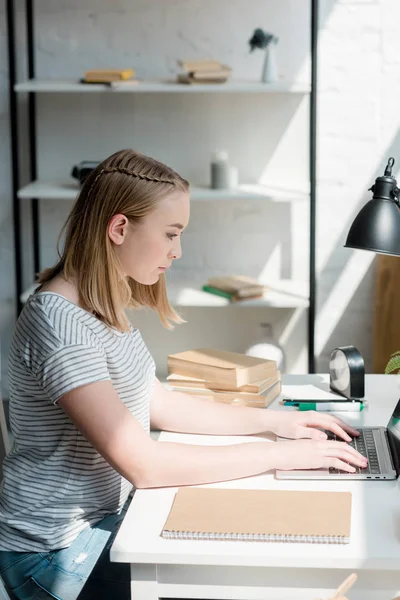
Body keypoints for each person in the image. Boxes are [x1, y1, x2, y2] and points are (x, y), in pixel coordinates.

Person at [0, 149, 367, 600]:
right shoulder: (60, 323)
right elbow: (145, 465)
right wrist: (280, 456)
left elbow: (156, 401)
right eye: (171, 234)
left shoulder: (99, 305)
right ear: (119, 229)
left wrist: (277, 423)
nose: (178, 251)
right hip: (54, 552)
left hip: (103, 521)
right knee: (226, 581)